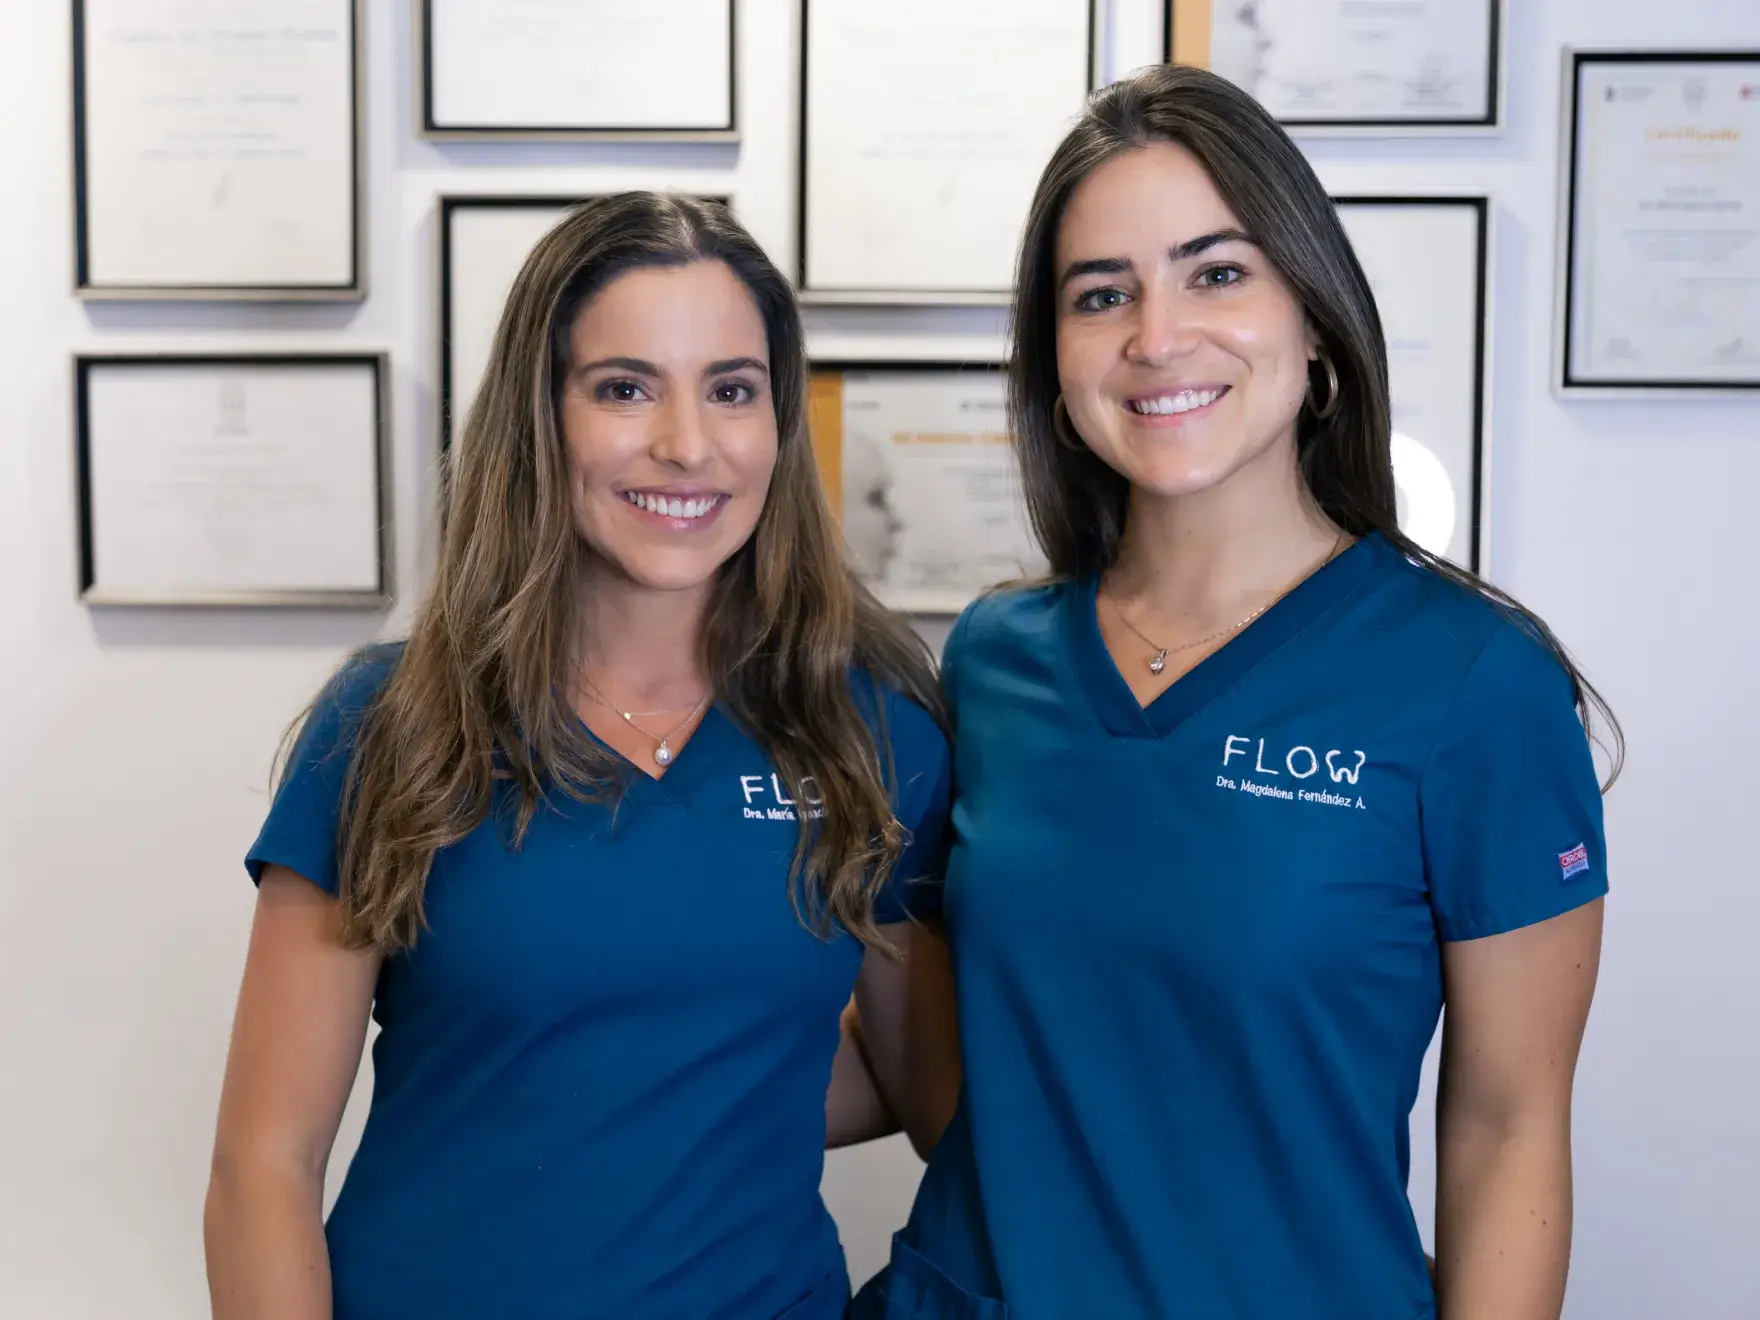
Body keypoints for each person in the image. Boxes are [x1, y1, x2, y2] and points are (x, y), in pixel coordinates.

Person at [852, 65, 1618, 1319]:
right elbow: (952, 1081)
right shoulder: (991, 660)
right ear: (1055, 359)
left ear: (1312, 317)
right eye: (1101, 295)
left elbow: (1507, 1130)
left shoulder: (1474, 686)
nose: (1156, 337)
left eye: (1215, 272)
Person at [203, 193, 951, 1320]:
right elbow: (262, 1166)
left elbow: (914, 1083)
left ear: (778, 422)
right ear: (541, 415)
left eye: (731, 390)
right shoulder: (395, 722)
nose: (686, 444)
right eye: (624, 387)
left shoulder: (869, 728)